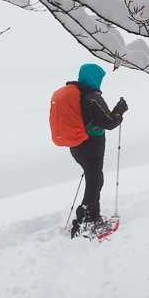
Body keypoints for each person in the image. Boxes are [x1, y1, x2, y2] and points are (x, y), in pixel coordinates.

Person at [50, 62, 127, 235]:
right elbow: (109, 122)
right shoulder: (92, 98)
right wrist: (120, 110)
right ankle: (83, 223)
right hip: (92, 148)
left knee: (96, 180)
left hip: (76, 147)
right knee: (94, 184)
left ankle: (93, 217)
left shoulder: (76, 95)